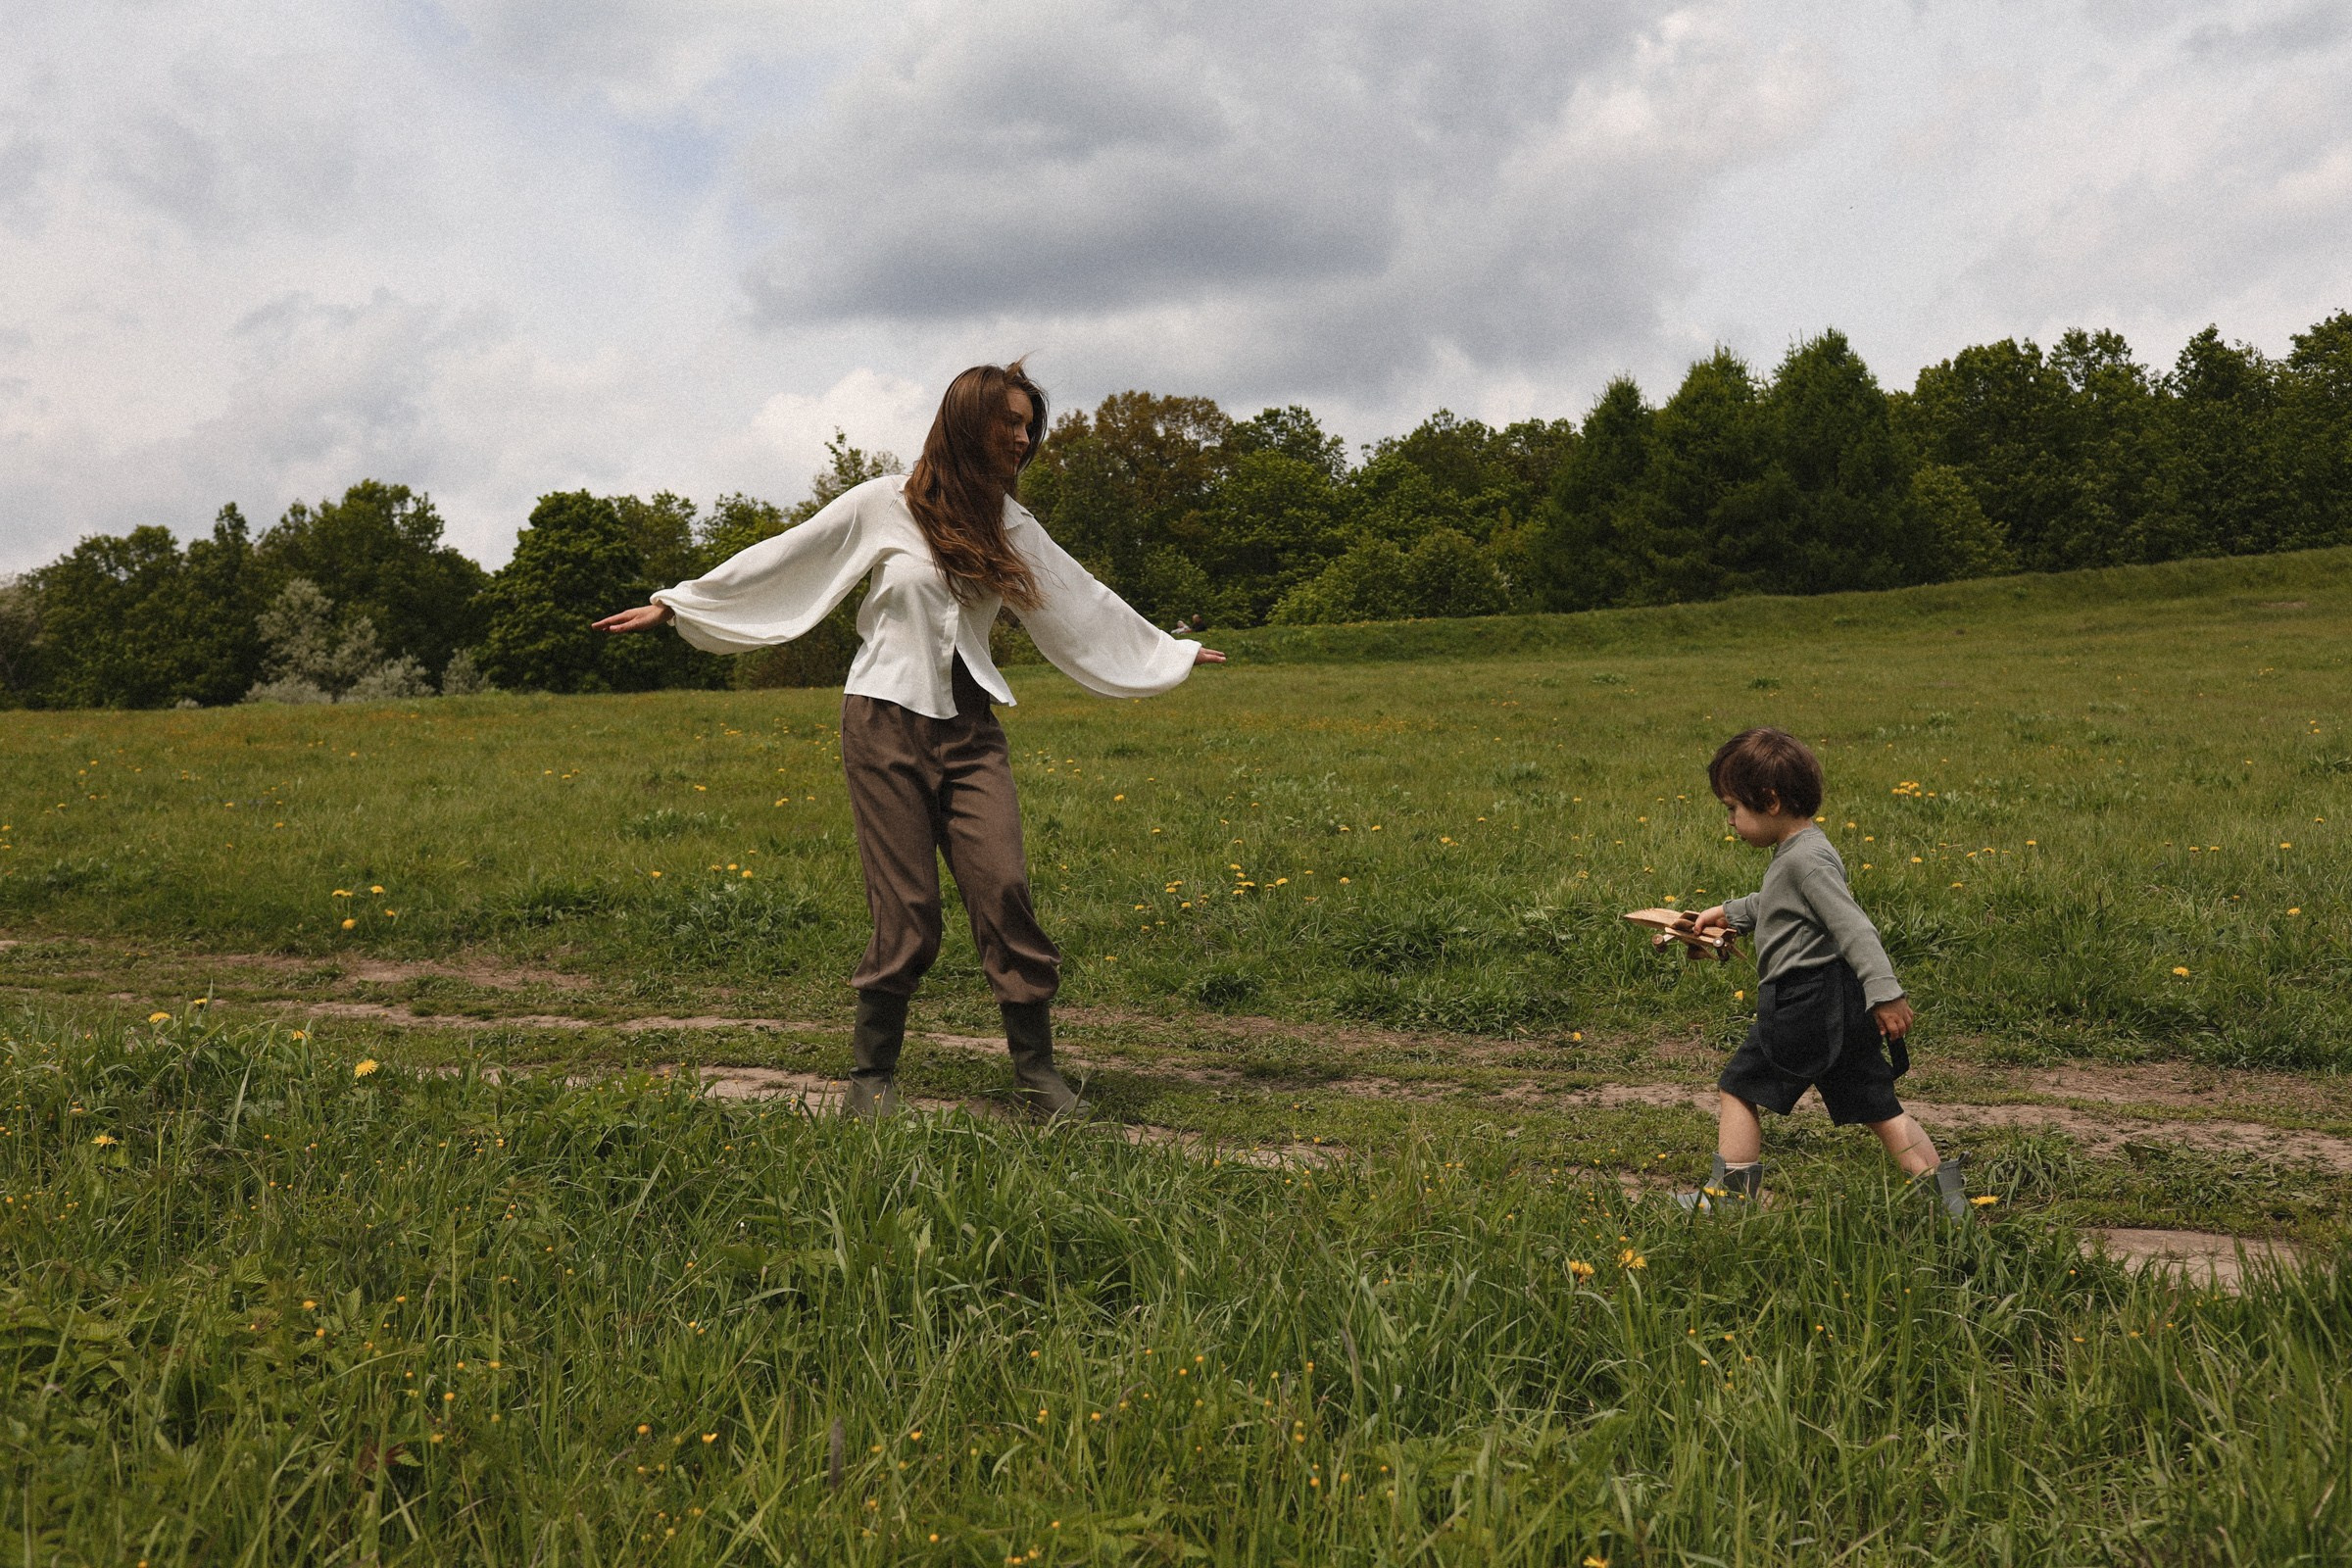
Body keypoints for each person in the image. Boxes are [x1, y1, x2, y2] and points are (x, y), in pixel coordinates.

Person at [595, 361, 1224, 1117]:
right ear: (968, 422)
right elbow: (790, 556)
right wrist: (678, 604)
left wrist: (1169, 651)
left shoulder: (1013, 526)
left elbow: (1084, 600)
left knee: (1005, 886)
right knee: (909, 907)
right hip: (883, 719)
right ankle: (872, 1078)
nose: (1025, 438)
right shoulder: (882, 503)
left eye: (1030, 425)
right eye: (1011, 423)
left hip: (971, 727)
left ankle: (1036, 1073)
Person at [1678, 727, 1972, 1220]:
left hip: (1804, 1001)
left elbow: (1854, 928)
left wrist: (1886, 993)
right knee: (1876, 1104)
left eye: (1733, 808)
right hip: (1835, 1000)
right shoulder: (1804, 851)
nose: (1730, 821)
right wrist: (1731, 912)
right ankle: (1944, 1199)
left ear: (1768, 801)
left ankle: (1728, 1198)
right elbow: (1782, 904)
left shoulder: (1807, 861)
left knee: (1740, 1085)